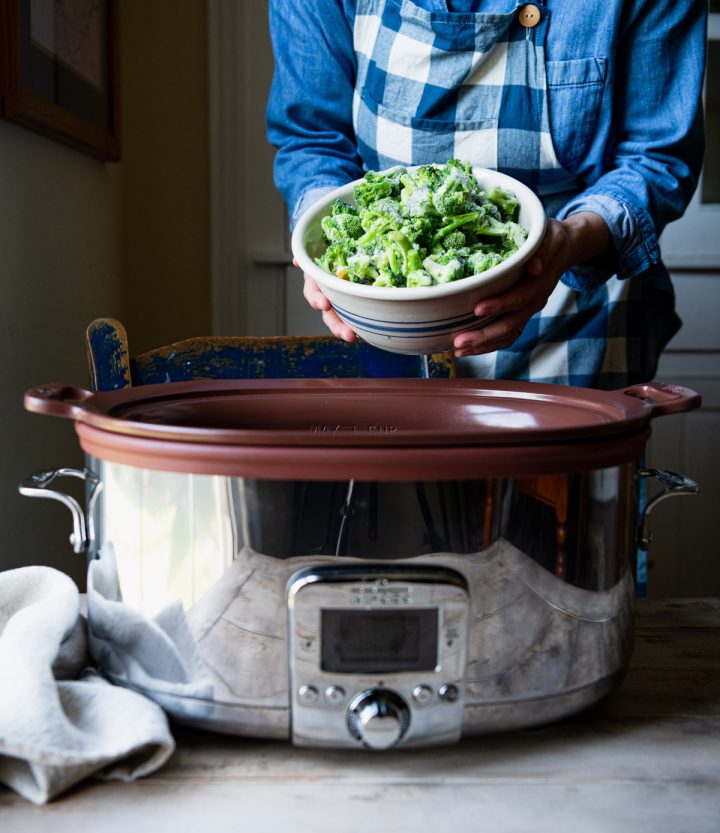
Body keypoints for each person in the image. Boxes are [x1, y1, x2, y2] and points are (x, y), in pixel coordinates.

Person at [266, 0, 706, 389]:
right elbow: (312, 136)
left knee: (567, 483)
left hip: (577, 318)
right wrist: (326, 248)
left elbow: (657, 156)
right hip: (386, 327)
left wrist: (567, 242)